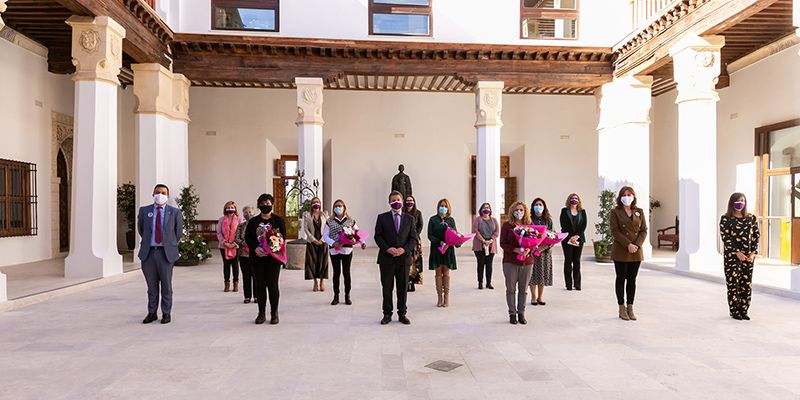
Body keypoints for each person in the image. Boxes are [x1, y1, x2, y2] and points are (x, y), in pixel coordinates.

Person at [137, 184, 183, 325]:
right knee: (151, 287)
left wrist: (168, 244)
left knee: (166, 286)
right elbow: (141, 229)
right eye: (157, 192)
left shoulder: (174, 212)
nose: (160, 195)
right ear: (153, 193)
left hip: (165, 254)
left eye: (163, 193)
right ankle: (152, 313)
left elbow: (178, 232)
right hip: (149, 253)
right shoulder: (145, 211)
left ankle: (166, 313)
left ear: (167, 196)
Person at [374, 191, 419, 325]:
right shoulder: (382, 218)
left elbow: (413, 238)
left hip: (403, 259)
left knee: (402, 288)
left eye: (398, 200)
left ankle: (402, 314)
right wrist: (387, 248)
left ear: (403, 201)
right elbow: (378, 236)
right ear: (389, 203)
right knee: (387, 288)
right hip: (386, 259)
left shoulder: (409, 219)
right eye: (393, 200)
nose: (396, 202)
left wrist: (404, 249)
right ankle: (387, 314)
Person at [244, 193, 286, 325]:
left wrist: (272, 249)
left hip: (273, 259)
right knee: (260, 285)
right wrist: (255, 248)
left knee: (273, 285)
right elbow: (248, 237)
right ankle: (261, 313)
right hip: (257, 258)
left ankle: (274, 313)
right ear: (259, 205)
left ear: (272, 204)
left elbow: (282, 237)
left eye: (268, 203)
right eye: (263, 203)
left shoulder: (278, 220)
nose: (265, 205)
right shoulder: (253, 222)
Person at [609, 186, 648, 321]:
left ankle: (630, 307)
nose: (627, 197)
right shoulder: (615, 212)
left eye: (629, 194)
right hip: (621, 250)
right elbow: (615, 231)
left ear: (633, 196)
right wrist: (628, 244)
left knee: (632, 280)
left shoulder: (639, 211)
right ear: (620, 197)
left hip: (636, 251)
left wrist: (636, 245)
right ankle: (621, 307)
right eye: (624, 195)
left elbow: (643, 230)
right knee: (621, 279)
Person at [719, 193, 760, 320]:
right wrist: (737, 253)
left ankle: (744, 310)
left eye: (742, 201)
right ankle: (734, 311)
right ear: (732, 203)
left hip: (748, 257)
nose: (740, 203)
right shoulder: (726, 219)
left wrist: (753, 253)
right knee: (733, 284)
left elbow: (756, 236)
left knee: (746, 284)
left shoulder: (751, 218)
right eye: (737, 201)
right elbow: (726, 238)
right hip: (732, 257)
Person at [323, 199, 367, 306]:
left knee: (346, 273)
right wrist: (333, 243)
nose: (338, 208)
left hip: (347, 250)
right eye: (336, 206)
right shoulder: (330, 221)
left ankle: (347, 295)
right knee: (336, 273)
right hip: (334, 251)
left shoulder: (350, 220)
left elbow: (357, 233)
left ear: (344, 208)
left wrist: (362, 242)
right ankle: (336, 296)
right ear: (334, 208)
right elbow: (325, 236)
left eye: (340, 206)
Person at [499, 201, 535, 325]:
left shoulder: (530, 225)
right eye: (516, 210)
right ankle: (512, 313)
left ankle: (521, 312)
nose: (519, 212)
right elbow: (502, 243)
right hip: (510, 261)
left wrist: (528, 249)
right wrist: (516, 249)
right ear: (512, 211)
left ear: (525, 212)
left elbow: (535, 241)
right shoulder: (507, 226)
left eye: (521, 210)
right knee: (511, 288)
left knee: (523, 289)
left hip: (527, 261)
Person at [428, 198, 458, 308]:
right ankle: (439, 298)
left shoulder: (451, 220)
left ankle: (446, 298)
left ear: (448, 208)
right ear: (438, 207)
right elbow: (430, 235)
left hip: (448, 250)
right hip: (437, 249)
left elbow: (454, 233)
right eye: (441, 205)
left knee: (446, 273)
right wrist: (439, 242)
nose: (443, 208)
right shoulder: (432, 219)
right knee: (438, 273)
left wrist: (455, 241)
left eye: (445, 206)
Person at [560, 193, 587, 291]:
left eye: (576, 198)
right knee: (568, 260)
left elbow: (584, 225)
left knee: (577, 260)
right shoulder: (564, 211)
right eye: (572, 198)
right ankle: (568, 284)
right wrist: (571, 236)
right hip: (567, 238)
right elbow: (563, 224)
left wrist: (577, 236)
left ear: (579, 201)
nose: (574, 200)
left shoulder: (582, 212)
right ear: (569, 200)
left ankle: (577, 283)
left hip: (579, 239)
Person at [529, 198, 554, 306]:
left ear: (544, 207)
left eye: (540, 204)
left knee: (542, 274)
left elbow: (553, 236)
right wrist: (532, 246)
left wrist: (544, 247)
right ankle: (533, 297)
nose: (538, 206)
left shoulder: (548, 220)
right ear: (532, 207)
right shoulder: (529, 219)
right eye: (536, 204)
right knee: (532, 274)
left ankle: (540, 296)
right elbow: (525, 233)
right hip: (532, 251)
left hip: (544, 252)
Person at [303, 197, 329, 292]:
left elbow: (328, 228)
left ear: (320, 204)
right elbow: (306, 229)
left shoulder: (324, 215)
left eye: (317, 202)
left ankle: (322, 282)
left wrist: (322, 240)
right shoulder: (307, 215)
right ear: (311, 205)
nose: (316, 204)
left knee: (323, 262)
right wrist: (313, 240)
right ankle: (315, 282)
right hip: (312, 242)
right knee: (312, 262)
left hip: (323, 242)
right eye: (314, 202)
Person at [216, 201, 243, 293]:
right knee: (226, 265)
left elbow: (241, 233)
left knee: (235, 265)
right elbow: (219, 233)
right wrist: (224, 243)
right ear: (225, 209)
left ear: (235, 209)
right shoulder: (221, 219)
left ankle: (236, 284)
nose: (230, 209)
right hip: (224, 246)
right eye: (228, 207)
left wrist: (235, 243)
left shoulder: (239, 219)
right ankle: (226, 284)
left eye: (232, 207)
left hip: (236, 245)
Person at [472, 202, 499, 290]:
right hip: (479, 245)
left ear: (490, 210)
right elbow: (475, 231)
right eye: (484, 207)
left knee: (489, 264)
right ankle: (480, 282)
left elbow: (497, 232)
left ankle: (489, 283)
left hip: (491, 245)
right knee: (480, 264)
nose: (486, 209)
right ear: (481, 210)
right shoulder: (478, 219)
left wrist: (490, 240)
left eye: (488, 208)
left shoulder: (494, 220)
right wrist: (483, 240)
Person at [234, 206, 256, 304]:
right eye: (246, 212)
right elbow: (236, 238)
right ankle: (247, 296)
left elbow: (261, 237)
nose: (248, 214)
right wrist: (244, 243)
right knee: (246, 276)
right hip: (243, 254)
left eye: (250, 212)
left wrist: (253, 244)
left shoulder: (258, 225)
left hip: (255, 254)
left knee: (256, 276)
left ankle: (257, 296)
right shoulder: (241, 225)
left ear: (254, 213)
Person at [405, 195, 424, 292]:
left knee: (415, 262)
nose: (409, 202)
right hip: (405, 240)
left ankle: (413, 282)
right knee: (407, 261)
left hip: (416, 240)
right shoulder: (403, 213)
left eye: (411, 200)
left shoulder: (418, 213)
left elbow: (420, 225)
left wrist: (415, 235)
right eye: (408, 200)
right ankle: (406, 282)